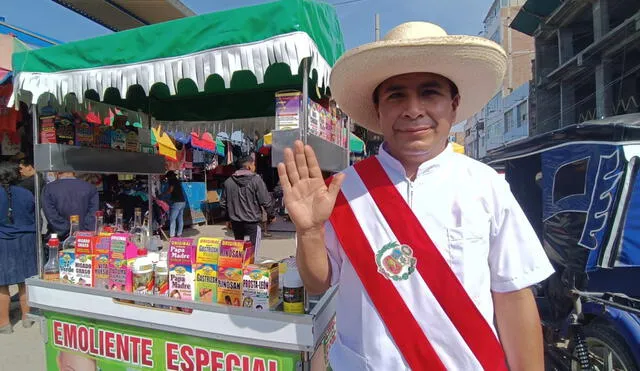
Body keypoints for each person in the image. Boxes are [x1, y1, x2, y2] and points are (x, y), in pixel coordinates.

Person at [277, 22, 555, 370]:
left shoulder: (487, 186)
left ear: (453, 105)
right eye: (396, 95)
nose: (413, 109)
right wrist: (309, 232)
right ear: (377, 109)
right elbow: (318, 283)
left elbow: (513, 295)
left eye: (429, 93)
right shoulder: (342, 188)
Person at [0, 162, 37, 334]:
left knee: (2, 285)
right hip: (26, 241)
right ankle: (27, 318)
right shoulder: (27, 193)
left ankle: (4, 324)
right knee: (25, 282)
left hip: (2, 241)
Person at [221, 155, 275, 248]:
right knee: (252, 248)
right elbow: (265, 200)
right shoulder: (256, 180)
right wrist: (272, 215)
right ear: (249, 166)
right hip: (252, 221)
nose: (255, 167)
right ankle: (250, 261)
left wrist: (227, 219)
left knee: (238, 247)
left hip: (235, 221)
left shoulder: (228, 182)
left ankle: (239, 262)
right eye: (254, 164)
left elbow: (223, 203)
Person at [41, 172, 99, 238]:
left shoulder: (48, 189)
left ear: (56, 173)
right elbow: (93, 215)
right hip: (85, 237)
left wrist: (67, 230)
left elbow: (51, 215)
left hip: (58, 238)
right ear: (74, 172)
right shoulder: (90, 188)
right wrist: (84, 232)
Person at [161, 171, 186, 238]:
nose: (167, 178)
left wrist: (163, 194)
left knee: (172, 219)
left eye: (167, 177)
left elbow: (171, 190)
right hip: (182, 202)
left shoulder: (172, 181)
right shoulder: (177, 181)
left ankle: (172, 235)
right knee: (180, 219)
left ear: (170, 176)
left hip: (177, 203)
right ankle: (179, 234)